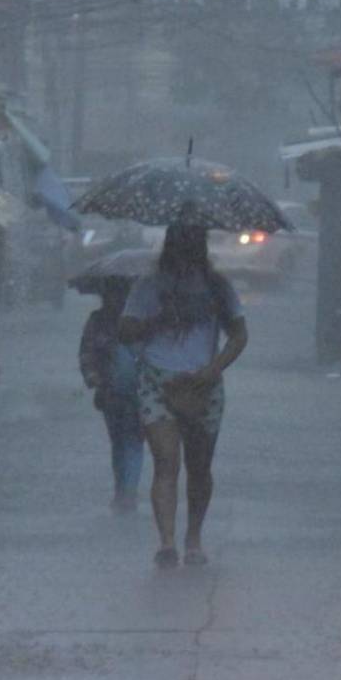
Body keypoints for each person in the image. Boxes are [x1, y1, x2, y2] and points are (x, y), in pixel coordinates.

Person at [119, 225, 248, 568]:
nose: (186, 252)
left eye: (193, 244)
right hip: (157, 380)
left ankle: (193, 536)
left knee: (199, 466)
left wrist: (215, 367)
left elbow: (239, 334)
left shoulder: (218, 287)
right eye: (180, 244)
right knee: (165, 460)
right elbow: (125, 329)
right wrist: (158, 319)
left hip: (204, 383)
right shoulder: (149, 286)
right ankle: (166, 542)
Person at [79, 279, 143, 512]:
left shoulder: (141, 319)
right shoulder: (98, 321)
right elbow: (86, 353)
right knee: (119, 442)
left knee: (133, 441)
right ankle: (122, 490)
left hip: (139, 393)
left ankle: (129, 492)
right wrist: (95, 381)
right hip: (110, 394)